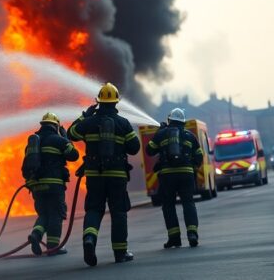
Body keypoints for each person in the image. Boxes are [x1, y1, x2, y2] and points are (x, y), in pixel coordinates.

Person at [68, 83, 140, 266]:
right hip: (117, 176)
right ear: (116, 102)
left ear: (98, 102)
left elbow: (71, 133)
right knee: (119, 212)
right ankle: (120, 253)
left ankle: (89, 239)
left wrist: (85, 116)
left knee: (94, 209)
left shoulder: (89, 122)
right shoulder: (123, 123)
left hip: (94, 175)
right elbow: (135, 148)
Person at [22, 112, 80, 256]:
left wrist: (30, 182)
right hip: (54, 185)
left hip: (36, 186)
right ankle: (53, 247)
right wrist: (66, 138)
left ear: (42, 125)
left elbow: (25, 168)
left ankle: (36, 235)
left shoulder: (32, 143)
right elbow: (74, 155)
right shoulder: (58, 140)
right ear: (55, 126)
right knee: (56, 214)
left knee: (44, 214)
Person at [145, 108, 203, 248]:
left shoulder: (162, 134)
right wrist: (192, 167)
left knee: (168, 205)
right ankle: (192, 234)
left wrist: (159, 133)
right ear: (183, 122)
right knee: (188, 203)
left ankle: (174, 238)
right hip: (186, 175)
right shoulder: (190, 136)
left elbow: (149, 150)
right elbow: (199, 156)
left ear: (169, 120)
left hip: (168, 176)